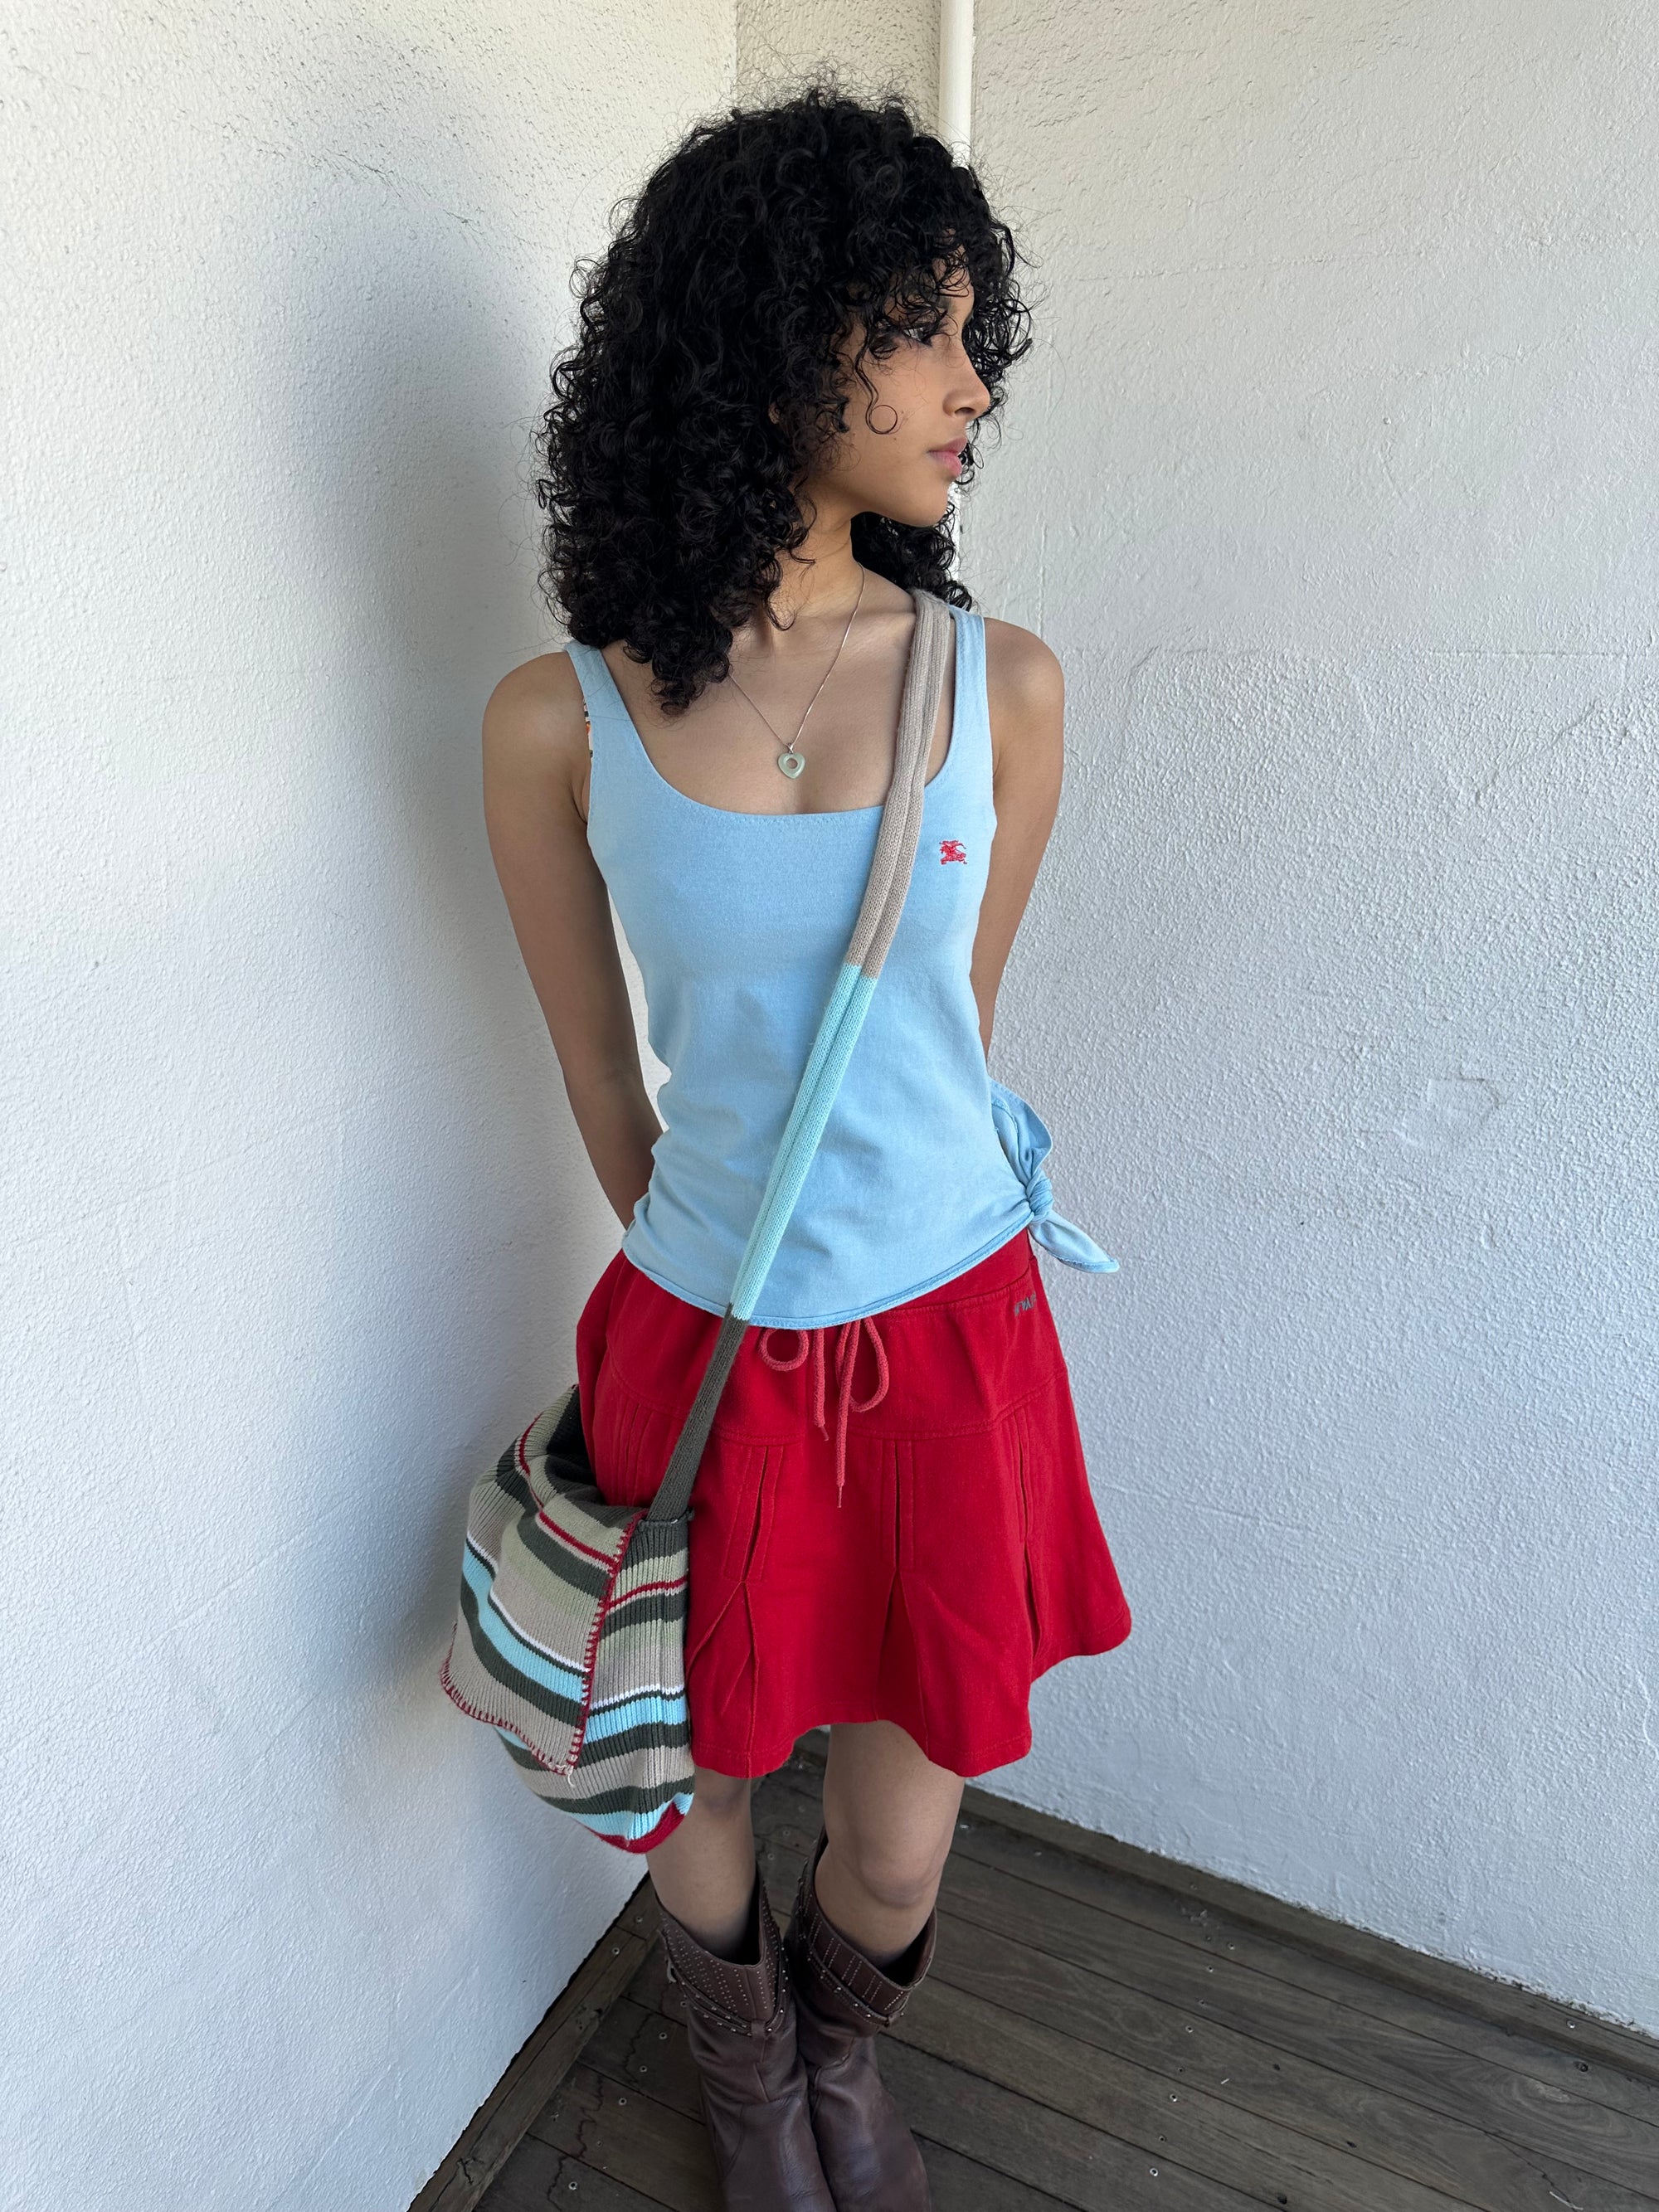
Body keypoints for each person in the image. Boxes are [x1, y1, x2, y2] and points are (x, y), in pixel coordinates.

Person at [480, 82, 1132, 2212]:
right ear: (768, 339)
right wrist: (713, 1273)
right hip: (703, 1326)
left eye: (978, 344)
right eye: (922, 332)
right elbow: (604, 1070)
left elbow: (958, 1028)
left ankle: (846, 2054)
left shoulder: (999, 683)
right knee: (685, 1768)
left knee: (898, 1817)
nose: (968, 390)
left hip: (947, 1332)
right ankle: (751, 2086)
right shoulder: (553, 716)